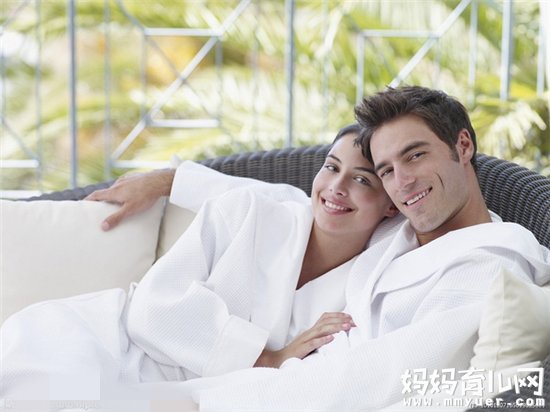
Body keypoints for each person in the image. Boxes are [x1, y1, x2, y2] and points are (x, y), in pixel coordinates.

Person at [115, 85, 548, 410]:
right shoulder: (399, 227)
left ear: (463, 145)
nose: (402, 182)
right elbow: (296, 203)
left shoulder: (490, 261)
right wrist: (171, 181)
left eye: (415, 156)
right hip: (263, 382)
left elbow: (404, 376)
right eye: (386, 170)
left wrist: (224, 400)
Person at [0, 124, 401, 398]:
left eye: (362, 179)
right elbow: (152, 309)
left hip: (182, 392)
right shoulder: (249, 211)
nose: (336, 187)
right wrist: (268, 359)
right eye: (331, 167)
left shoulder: (376, 277)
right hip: (104, 341)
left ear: (391, 204)